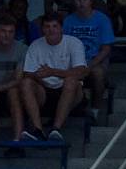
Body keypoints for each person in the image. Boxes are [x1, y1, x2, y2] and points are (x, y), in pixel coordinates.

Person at [19, 13, 87, 142]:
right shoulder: (35, 45)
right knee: (26, 83)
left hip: (70, 92)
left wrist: (52, 72)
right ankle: (38, 130)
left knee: (71, 81)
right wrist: (39, 76)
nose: (51, 30)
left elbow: (81, 72)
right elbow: (28, 73)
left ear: (61, 28)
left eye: (55, 26)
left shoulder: (74, 42)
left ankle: (56, 128)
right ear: (42, 29)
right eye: (47, 26)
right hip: (44, 90)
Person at [61, 0, 115, 106]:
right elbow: (63, 45)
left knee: (98, 73)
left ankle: (96, 109)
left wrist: (88, 66)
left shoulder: (102, 19)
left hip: (95, 61)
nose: (81, 3)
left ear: (91, 1)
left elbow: (106, 49)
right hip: (73, 62)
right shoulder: (68, 21)